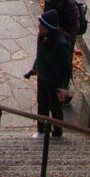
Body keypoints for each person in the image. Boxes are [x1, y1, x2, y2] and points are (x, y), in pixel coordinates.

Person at [23, 9, 73, 139]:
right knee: (42, 104)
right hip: (43, 76)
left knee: (54, 106)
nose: (39, 27)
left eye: (42, 25)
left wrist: (63, 86)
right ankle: (41, 129)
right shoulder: (42, 37)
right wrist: (35, 68)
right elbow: (40, 55)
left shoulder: (60, 44)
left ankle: (57, 131)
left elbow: (66, 67)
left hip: (54, 80)